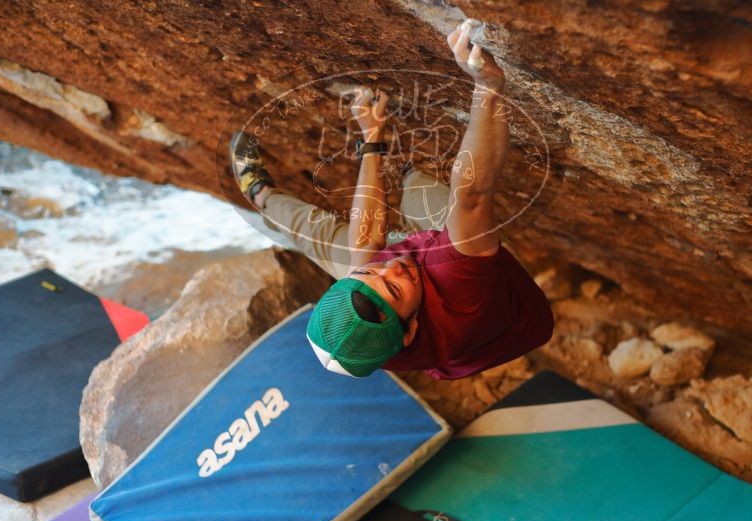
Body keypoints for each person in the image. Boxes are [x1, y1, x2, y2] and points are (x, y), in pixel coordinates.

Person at [230, 21, 553, 379]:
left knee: (317, 237)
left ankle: (259, 194)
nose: (390, 267)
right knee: (425, 194)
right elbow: (473, 196)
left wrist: (373, 140)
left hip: (447, 334)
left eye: (369, 274)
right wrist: (488, 86)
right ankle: (409, 175)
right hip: (506, 306)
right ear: (410, 330)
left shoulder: (372, 334)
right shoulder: (457, 285)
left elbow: (366, 244)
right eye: (393, 288)